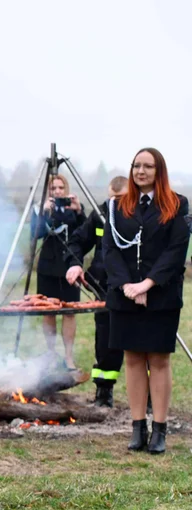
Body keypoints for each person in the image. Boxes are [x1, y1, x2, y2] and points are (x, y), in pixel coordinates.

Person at [102, 148, 190, 454]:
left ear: (159, 170)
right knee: (133, 359)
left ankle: (160, 430)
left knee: (159, 359)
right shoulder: (115, 206)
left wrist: (146, 285)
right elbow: (110, 251)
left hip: (161, 295)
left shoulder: (177, 204)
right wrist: (128, 285)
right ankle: (138, 427)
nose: (141, 171)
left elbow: (176, 251)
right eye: (137, 166)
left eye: (148, 166)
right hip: (125, 295)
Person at [65, 176, 129, 407]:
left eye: (122, 199)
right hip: (104, 288)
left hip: (135, 288)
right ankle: (104, 392)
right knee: (106, 341)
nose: (117, 204)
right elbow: (78, 241)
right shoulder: (101, 215)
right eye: (113, 199)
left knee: (141, 342)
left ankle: (151, 396)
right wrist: (74, 263)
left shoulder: (143, 215)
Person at [32, 174, 86, 369]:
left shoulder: (74, 208)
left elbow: (85, 234)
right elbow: (35, 235)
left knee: (69, 312)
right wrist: (44, 213)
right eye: (53, 188)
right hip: (48, 267)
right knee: (49, 312)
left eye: (60, 188)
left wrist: (79, 211)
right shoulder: (39, 208)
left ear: (66, 189)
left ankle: (69, 357)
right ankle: (50, 354)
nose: (57, 192)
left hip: (70, 267)